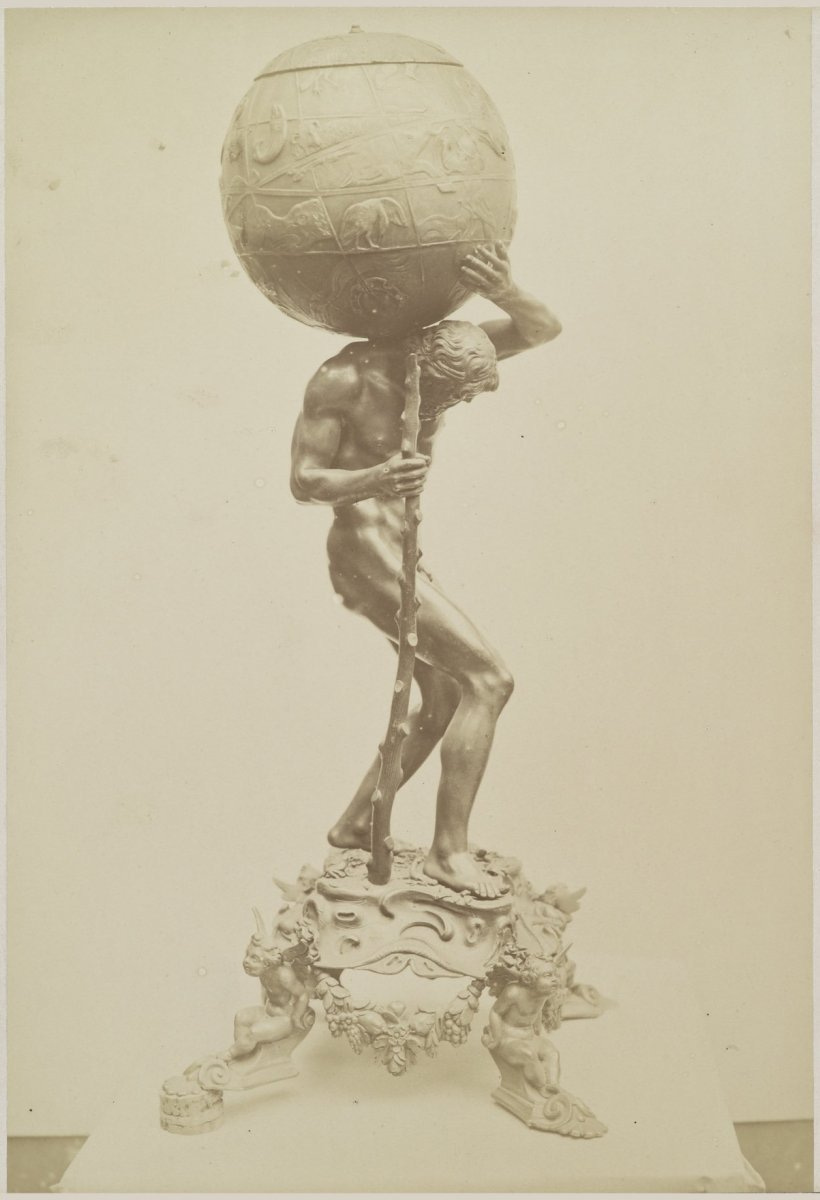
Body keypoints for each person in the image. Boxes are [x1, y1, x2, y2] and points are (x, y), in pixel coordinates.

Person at [290, 243, 561, 898]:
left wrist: (504, 289)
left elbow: (539, 329)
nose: (452, 407)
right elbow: (303, 480)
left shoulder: (447, 352)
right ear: (423, 368)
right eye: (449, 397)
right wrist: (378, 476)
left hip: (401, 550)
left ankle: (358, 822)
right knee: (489, 681)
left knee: (442, 696)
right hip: (364, 551)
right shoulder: (343, 379)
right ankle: (447, 852)